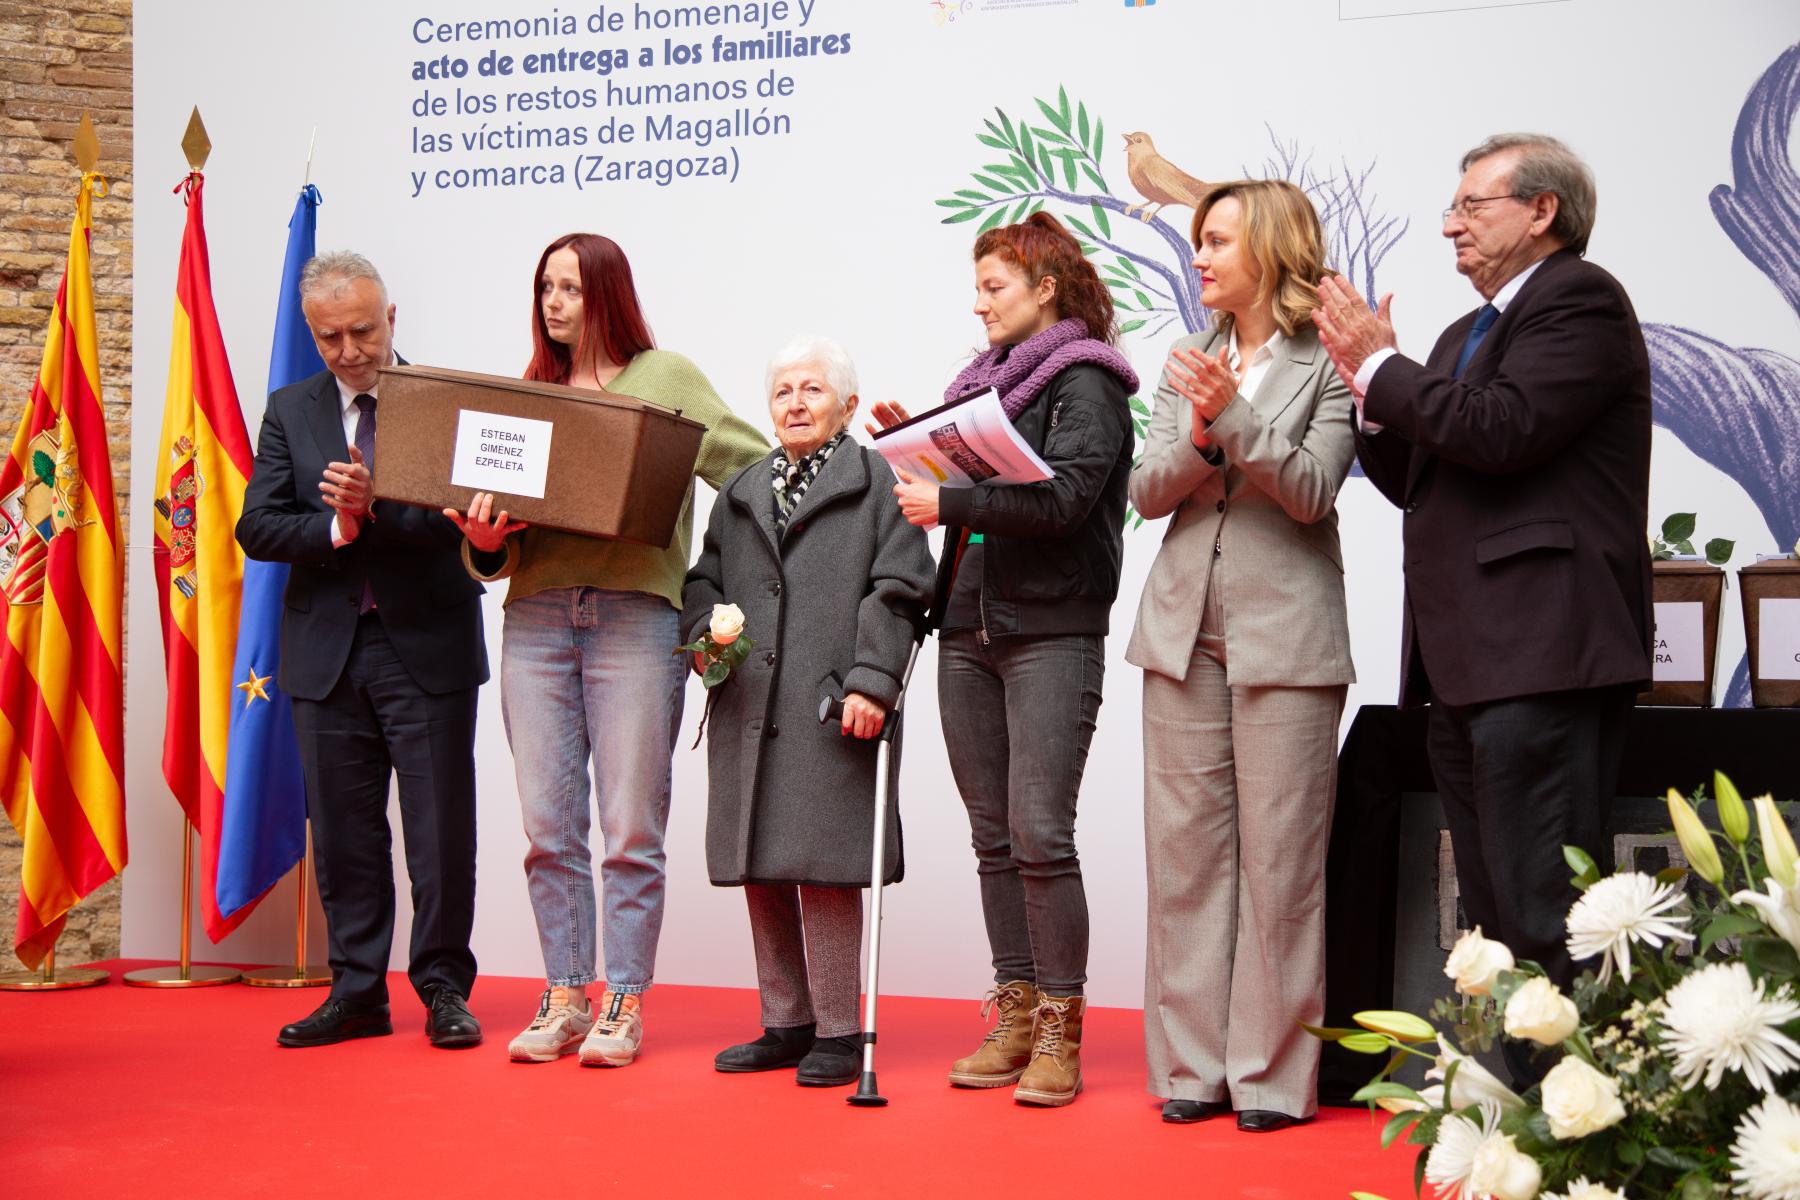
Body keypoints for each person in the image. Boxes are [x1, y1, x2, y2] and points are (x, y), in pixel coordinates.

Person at [1312, 134, 1652, 1081]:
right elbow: (1419, 472)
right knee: (1495, 918)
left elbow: (1502, 432)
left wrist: (1384, 365)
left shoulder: (1578, 300)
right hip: (1466, 662)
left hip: (1541, 654)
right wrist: (1368, 394)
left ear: (1542, 211)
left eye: (1474, 204)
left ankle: (1575, 1132)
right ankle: (1524, 1112)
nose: (1450, 223)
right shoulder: (1463, 336)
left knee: (1546, 912)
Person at [452, 232, 767, 1068]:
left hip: (637, 619)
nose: (555, 303)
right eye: (545, 287)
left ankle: (622, 1001)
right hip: (537, 619)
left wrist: (712, 583)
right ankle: (563, 994)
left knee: (630, 828)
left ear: (609, 295)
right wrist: (484, 540)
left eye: (572, 288)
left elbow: (754, 471)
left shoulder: (665, 379)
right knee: (548, 829)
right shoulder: (531, 393)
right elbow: (497, 553)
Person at [871, 212, 1137, 1107]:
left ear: (1046, 290)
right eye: (977, 286)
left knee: (1039, 836)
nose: (977, 303)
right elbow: (988, 481)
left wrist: (951, 498)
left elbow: (1063, 499)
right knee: (992, 841)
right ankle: (1015, 1013)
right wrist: (925, 443)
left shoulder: (1088, 382)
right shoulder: (983, 386)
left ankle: (1062, 1028)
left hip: (1053, 631)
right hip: (966, 631)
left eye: (995, 287)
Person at [1125, 180, 1356, 1132]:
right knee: (1185, 864)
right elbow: (1146, 491)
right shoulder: (1191, 360)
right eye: (1199, 241)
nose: (1202, 257)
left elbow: (1311, 493)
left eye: (1218, 241)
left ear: (1269, 249)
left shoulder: (1335, 364)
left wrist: (1237, 418)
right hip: (1181, 632)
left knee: (1282, 868)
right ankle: (1190, 1070)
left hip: (1289, 640)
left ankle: (1268, 1079)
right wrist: (1208, 425)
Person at [236, 251, 485, 1050]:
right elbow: (257, 525)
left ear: (392, 319)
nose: (350, 350)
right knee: (345, 834)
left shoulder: (442, 404)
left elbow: (459, 523)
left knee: (440, 833)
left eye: (364, 331)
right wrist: (337, 527)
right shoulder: (290, 409)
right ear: (312, 334)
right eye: (331, 336)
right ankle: (356, 992)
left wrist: (376, 509)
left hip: (429, 644)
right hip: (325, 653)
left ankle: (444, 987)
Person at [681, 336, 932, 1087]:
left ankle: (838, 1029)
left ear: (848, 406)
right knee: (762, 865)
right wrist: (704, 642)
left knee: (824, 868)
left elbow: (900, 589)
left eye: (813, 390)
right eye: (784, 390)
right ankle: (784, 1022)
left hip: (831, 701)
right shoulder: (743, 489)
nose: (795, 402)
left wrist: (871, 680)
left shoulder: (880, 481)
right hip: (751, 699)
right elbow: (703, 582)